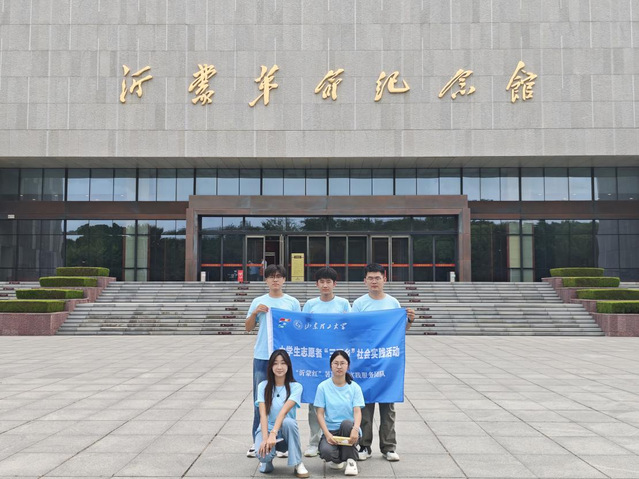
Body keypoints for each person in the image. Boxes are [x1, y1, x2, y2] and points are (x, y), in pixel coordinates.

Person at [351, 263, 415, 462]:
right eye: (370, 278)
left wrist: (409, 321)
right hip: (365, 360)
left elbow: (400, 331)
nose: (374, 281)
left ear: (384, 279)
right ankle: (364, 446)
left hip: (387, 362)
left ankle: (388, 447)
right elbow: (354, 331)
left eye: (377, 278)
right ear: (364, 281)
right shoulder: (359, 304)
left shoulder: (393, 303)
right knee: (365, 405)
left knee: (388, 406)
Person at [246, 264, 301, 458]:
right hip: (263, 356)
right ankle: (257, 440)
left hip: (284, 359)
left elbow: (297, 328)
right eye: (271, 276)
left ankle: (283, 444)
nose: (275, 280)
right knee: (261, 399)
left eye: (279, 276)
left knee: (285, 399)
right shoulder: (258, 301)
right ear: (266, 280)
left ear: (284, 279)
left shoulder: (292, 302)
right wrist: (255, 313)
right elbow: (248, 327)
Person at [301, 267, 351, 458]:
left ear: (334, 284)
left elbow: (351, 327)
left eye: (328, 281)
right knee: (314, 402)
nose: (325, 285)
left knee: (339, 399)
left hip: (337, 360)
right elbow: (302, 329)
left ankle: (339, 437)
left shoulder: (343, 304)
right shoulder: (310, 304)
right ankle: (314, 442)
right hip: (315, 360)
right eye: (321, 281)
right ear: (317, 284)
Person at [254, 349, 309, 477]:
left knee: (289, 422)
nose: (279, 367)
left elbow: (283, 412)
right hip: (267, 429)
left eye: (283, 363)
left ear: (288, 366)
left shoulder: (296, 387)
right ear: (270, 366)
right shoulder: (263, 386)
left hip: (285, 432)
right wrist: (265, 438)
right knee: (263, 456)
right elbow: (263, 415)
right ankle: (267, 462)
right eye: (275, 363)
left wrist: (273, 433)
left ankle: (298, 463)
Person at [314, 350, 364, 476]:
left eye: (343, 363)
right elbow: (319, 413)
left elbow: (357, 411)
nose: (339, 367)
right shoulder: (323, 387)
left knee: (346, 424)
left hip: (350, 429)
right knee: (326, 451)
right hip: (331, 430)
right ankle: (339, 459)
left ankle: (351, 461)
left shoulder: (355, 387)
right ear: (331, 365)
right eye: (336, 363)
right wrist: (327, 434)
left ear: (348, 365)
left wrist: (356, 429)